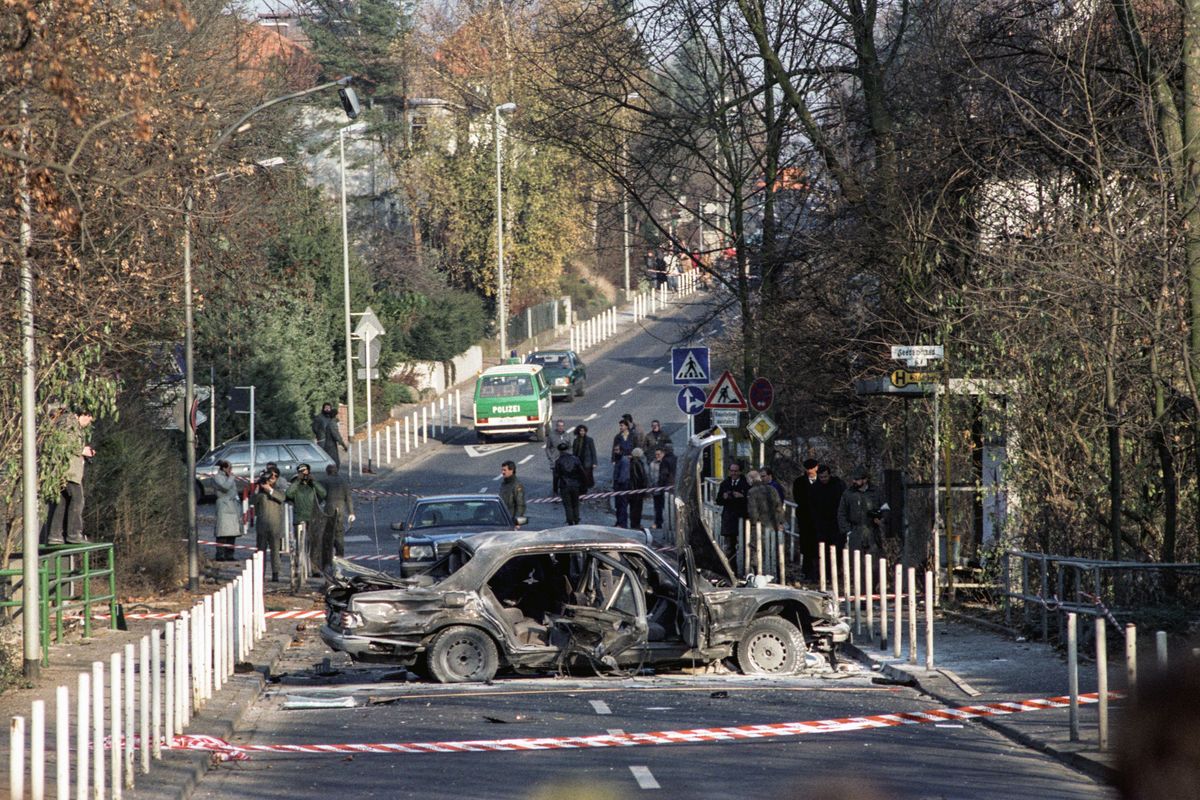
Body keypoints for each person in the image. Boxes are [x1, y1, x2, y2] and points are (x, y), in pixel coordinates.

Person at [46, 410, 95, 545]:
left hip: (64, 471)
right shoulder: (69, 422)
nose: (90, 421)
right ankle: (74, 534)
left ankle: (55, 535)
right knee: (78, 500)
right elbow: (65, 443)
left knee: (61, 502)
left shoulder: (69, 423)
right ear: (84, 414)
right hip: (68, 472)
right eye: (90, 417)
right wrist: (82, 450)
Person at [285, 463, 327, 586]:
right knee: (300, 545)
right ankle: (299, 568)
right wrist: (297, 481)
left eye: (305, 471)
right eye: (301, 472)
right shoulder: (295, 484)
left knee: (314, 545)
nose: (304, 474)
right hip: (300, 518)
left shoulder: (312, 485)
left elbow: (323, 494)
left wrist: (313, 482)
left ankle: (314, 568)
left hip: (313, 518)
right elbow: (289, 494)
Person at [838, 465, 884, 557]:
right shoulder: (848, 494)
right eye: (853, 479)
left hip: (872, 532)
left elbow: (885, 508)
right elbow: (841, 513)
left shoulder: (876, 492)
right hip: (855, 532)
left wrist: (881, 519)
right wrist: (848, 531)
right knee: (856, 562)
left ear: (865, 479)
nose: (854, 481)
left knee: (874, 562)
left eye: (857, 479)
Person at [316, 464, 355, 572]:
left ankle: (328, 561)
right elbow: (349, 498)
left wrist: (316, 506)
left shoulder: (325, 481)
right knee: (339, 534)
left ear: (327, 471)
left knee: (328, 534)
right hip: (341, 510)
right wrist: (351, 512)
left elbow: (321, 496)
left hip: (329, 509)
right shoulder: (343, 481)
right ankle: (340, 558)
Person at [252, 468, 286, 582]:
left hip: (275, 525)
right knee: (260, 551)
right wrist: (257, 490)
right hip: (262, 525)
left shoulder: (278, 488)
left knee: (275, 550)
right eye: (271, 476)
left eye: (275, 476)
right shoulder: (261, 490)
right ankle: (260, 573)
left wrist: (270, 489)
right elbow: (252, 501)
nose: (272, 478)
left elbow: (282, 498)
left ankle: (275, 574)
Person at [747, 469, 784, 571]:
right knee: (773, 550)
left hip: (761, 526)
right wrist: (780, 522)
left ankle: (757, 571)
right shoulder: (772, 489)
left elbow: (752, 510)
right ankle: (775, 572)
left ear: (750, 481)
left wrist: (754, 523)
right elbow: (779, 507)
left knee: (756, 549)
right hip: (774, 525)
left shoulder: (751, 492)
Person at [715, 462, 750, 563]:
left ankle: (743, 566)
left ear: (740, 472)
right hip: (728, 518)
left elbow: (751, 500)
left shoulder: (746, 484)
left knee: (743, 544)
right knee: (729, 545)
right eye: (732, 471)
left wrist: (742, 496)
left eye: (736, 471)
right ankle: (730, 566)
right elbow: (718, 501)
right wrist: (724, 497)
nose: (733, 473)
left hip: (741, 517)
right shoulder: (724, 484)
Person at [792, 459, 820, 579]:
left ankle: (820, 571)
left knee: (820, 545)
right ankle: (808, 571)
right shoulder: (799, 482)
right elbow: (798, 499)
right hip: (806, 519)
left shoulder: (824, 481)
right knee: (807, 545)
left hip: (821, 519)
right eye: (807, 468)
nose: (810, 471)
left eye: (812, 468)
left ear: (816, 468)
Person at [212, 459, 241, 562]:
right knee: (223, 533)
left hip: (232, 506)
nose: (230, 470)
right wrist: (231, 477)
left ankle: (230, 554)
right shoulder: (217, 477)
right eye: (229, 468)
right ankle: (220, 554)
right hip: (224, 506)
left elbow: (234, 490)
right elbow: (225, 487)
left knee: (232, 533)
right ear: (224, 468)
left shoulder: (229, 478)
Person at [813, 464, 847, 548]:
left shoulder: (838, 485)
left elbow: (845, 501)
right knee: (822, 548)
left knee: (838, 547)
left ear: (829, 475)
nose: (824, 479)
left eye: (825, 476)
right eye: (821, 477)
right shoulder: (814, 488)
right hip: (821, 523)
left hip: (836, 522)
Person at [553, 443, 587, 525]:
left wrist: (555, 489)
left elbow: (556, 476)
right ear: (568, 450)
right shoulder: (575, 459)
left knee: (567, 504)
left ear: (559, 451)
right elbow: (582, 473)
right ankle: (576, 519)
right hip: (575, 485)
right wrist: (584, 485)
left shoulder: (558, 461)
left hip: (564, 485)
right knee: (575, 503)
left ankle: (570, 520)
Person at [311, 402, 347, 467]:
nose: (327, 409)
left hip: (330, 441)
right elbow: (314, 428)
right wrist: (320, 434)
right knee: (323, 458)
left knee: (332, 460)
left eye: (329, 408)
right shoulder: (319, 417)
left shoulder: (331, 418)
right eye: (326, 408)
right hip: (322, 440)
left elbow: (335, 433)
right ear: (323, 408)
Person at [650, 446, 676, 528]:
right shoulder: (653, 463)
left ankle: (669, 524)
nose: (657, 456)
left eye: (659, 454)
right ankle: (658, 523)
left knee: (668, 506)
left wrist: (661, 484)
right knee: (658, 507)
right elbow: (651, 476)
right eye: (656, 454)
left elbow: (663, 475)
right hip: (657, 488)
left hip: (664, 487)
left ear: (663, 454)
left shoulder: (665, 461)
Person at [498, 460, 526, 526]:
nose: (502, 472)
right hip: (501, 521)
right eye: (502, 470)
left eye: (505, 470)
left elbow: (520, 505)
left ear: (511, 470)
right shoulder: (504, 484)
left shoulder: (517, 485)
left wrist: (517, 523)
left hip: (510, 521)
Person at [628, 447, 649, 529]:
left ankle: (634, 523)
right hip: (637, 490)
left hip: (633, 489)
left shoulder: (632, 462)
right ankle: (636, 524)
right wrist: (644, 487)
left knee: (633, 508)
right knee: (637, 508)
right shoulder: (637, 463)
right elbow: (641, 477)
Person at [572, 424, 597, 490]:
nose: (582, 432)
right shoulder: (576, 440)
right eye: (580, 431)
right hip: (579, 461)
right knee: (580, 475)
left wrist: (594, 462)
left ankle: (588, 487)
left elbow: (593, 451)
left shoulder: (589, 440)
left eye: (583, 431)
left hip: (587, 461)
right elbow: (574, 451)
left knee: (588, 475)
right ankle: (582, 488)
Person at [612, 446, 632, 528]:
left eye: (617, 450)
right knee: (618, 505)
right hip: (618, 487)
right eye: (615, 450)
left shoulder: (623, 460)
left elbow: (623, 475)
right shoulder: (619, 460)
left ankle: (622, 523)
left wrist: (618, 483)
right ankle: (619, 522)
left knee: (622, 506)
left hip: (622, 487)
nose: (615, 452)